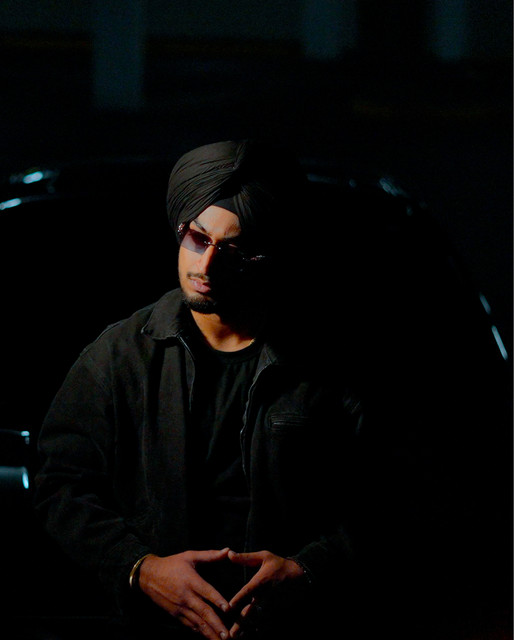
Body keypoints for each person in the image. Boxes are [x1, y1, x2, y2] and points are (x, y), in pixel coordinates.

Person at [34, 140, 431, 639]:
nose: (207, 266)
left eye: (235, 250)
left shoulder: (333, 365)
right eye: (198, 238)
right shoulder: (121, 357)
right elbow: (59, 482)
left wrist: (310, 570)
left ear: (268, 257)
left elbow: (394, 495)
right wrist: (140, 568)